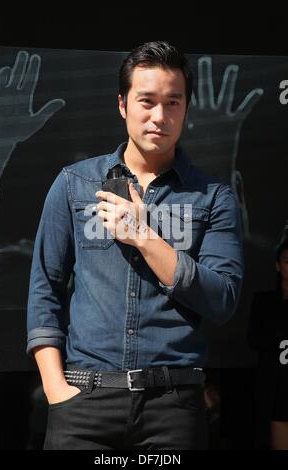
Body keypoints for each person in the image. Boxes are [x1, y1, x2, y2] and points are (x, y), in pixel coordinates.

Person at [27, 40, 244, 450]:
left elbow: (223, 299)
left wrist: (144, 237)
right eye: (146, 101)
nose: (159, 116)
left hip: (173, 406)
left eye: (173, 103)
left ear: (185, 109)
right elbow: (45, 290)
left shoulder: (212, 197)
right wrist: (57, 391)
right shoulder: (76, 184)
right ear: (123, 104)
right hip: (83, 402)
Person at [248, 223, 288, 450]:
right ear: (277, 265)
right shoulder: (265, 302)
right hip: (273, 382)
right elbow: (255, 339)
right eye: (287, 262)